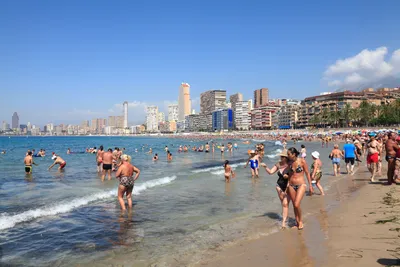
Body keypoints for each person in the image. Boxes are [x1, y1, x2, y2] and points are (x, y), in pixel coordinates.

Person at [260, 150, 291, 228]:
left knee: (285, 204)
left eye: (282, 157)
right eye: (280, 156)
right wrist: (265, 166)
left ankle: (283, 222)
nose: (280, 158)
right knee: (283, 204)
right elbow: (270, 172)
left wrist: (288, 177)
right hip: (279, 186)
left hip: (289, 186)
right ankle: (285, 217)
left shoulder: (290, 164)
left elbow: (294, 175)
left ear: (286, 157)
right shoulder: (278, 164)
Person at [287, 147, 313, 230]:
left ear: (294, 154)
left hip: (301, 184)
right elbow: (287, 173)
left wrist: (310, 185)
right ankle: (297, 222)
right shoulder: (289, 162)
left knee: (296, 204)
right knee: (294, 205)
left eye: (289, 154)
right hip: (291, 185)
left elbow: (307, 173)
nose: (287, 156)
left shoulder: (302, 161)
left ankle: (300, 221)